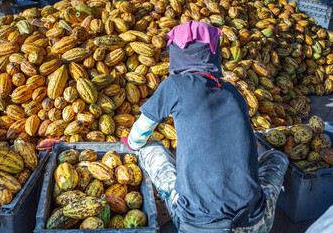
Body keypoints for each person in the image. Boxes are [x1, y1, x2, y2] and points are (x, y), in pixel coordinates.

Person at [121, 21, 289, 232]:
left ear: (176, 52)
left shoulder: (174, 85)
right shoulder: (232, 91)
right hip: (254, 222)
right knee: (277, 157)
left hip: (197, 225)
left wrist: (131, 142)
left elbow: (139, 134)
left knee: (149, 147)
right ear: (214, 53)